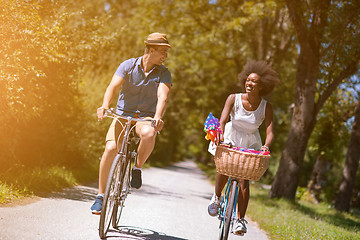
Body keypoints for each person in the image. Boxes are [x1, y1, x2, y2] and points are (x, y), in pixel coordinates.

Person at [91, 32, 172, 214]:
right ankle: (100, 196)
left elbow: (162, 96)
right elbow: (112, 86)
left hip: (144, 118)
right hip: (122, 115)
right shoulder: (128, 65)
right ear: (151, 50)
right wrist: (105, 105)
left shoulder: (164, 73)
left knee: (149, 133)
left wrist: (157, 116)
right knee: (111, 149)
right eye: (162, 52)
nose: (165, 56)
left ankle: (137, 168)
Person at [207, 60, 280, 235]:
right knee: (224, 167)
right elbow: (223, 119)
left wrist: (266, 146)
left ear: (261, 86)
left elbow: (270, 132)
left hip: (250, 142)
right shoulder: (234, 98)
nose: (250, 83)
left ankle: (240, 220)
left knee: (244, 179)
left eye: (254, 81)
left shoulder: (265, 106)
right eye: (248, 80)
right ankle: (216, 198)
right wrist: (221, 134)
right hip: (230, 135)